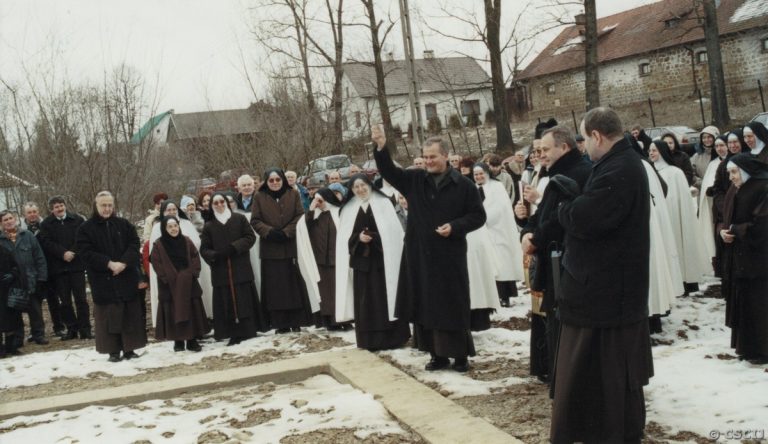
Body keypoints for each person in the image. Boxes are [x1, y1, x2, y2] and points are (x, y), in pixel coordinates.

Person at [551, 108, 653, 443]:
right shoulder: (615, 165)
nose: (583, 146)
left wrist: (565, 207)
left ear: (596, 136)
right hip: (606, 293)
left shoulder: (619, 169)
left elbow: (586, 219)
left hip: (608, 296)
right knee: (601, 378)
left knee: (611, 379)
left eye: (583, 138)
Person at [372, 127, 486, 373]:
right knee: (426, 305)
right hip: (420, 255)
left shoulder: (464, 185)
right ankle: (437, 355)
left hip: (450, 255)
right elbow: (390, 172)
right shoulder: (415, 179)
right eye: (425, 157)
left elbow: (478, 216)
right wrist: (382, 147)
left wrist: (455, 227)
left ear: (445, 155)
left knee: (452, 304)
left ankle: (460, 356)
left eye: (433, 156)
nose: (428, 161)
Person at [515, 125, 592, 384]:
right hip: (551, 260)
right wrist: (526, 231)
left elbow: (559, 219)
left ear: (565, 147)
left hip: (565, 264)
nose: (541, 155)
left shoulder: (578, 174)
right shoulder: (557, 174)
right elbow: (542, 215)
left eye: (546, 149)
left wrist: (535, 238)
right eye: (539, 150)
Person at [335, 175, 409, 349]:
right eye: (356, 187)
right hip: (362, 264)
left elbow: (393, 234)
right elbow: (345, 238)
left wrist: (374, 237)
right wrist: (358, 238)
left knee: (385, 298)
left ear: (369, 185)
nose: (360, 190)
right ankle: (370, 340)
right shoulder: (348, 209)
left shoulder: (383, 203)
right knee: (366, 302)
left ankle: (394, 338)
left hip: (383, 262)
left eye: (363, 185)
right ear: (352, 190)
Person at [76, 191, 147, 362]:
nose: (107, 208)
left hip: (125, 275)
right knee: (108, 316)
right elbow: (85, 252)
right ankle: (113, 350)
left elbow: (134, 244)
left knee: (129, 313)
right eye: (103, 205)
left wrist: (123, 263)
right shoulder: (86, 228)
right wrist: (108, 263)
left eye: (109, 205)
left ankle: (130, 348)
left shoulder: (123, 224)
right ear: (96, 206)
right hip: (103, 279)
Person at [718, 154, 768, 363]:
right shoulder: (734, 189)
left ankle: (763, 350)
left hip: (759, 259)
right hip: (739, 258)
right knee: (745, 303)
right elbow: (723, 218)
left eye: (734, 172)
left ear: (746, 172)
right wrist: (723, 231)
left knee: (759, 304)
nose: (731, 177)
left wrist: (736, 230)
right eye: (729, 173)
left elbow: (763, 224)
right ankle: (747, 348)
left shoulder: (763, 187)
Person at [251, 169, 313, 333]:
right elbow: (255, 220)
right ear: (266, 182)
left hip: (289, 245)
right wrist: (269, 232)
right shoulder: (259, 196)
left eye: (278, 179)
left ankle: (297, 320)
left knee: (293, 286)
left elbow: (300, 215)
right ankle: (280, 323)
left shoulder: (292, 194)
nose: (275, 183)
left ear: (283, 180)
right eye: (271, 180)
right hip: (270, 248)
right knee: (275, 288)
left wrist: (287, 232)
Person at [201, 192, 267, 345]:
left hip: (240, 267)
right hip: (221, 270)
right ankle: (232, 333)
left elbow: (250, 237)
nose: (219, 205)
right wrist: (216, 255)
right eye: (215, 203)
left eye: (222, 202)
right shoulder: (209, 226)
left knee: (244, 298)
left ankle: (249, 330)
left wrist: (234, 247)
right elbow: (204, 249)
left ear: (227, 203)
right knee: (226, 301)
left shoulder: (239, 219)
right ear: (211, 206)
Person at [649, 139, 710, 293]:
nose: (651, 153)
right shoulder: (650, 171)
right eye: (650, 150)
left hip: (675, 216)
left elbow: (681, 200)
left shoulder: (675, 172)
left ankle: (684, 280)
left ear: (662, 152)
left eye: (655, 150)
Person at [150, 216, 210, 352]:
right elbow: (156, 263)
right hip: (170, 285)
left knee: (191, 310)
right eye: (170, 227)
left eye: (175, 226)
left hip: (188, 284)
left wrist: (191, 274)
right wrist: (167, 277)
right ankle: (178, 341)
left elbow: (195, 257)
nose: (173, 229)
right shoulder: (158, 245)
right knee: (172, 311)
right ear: (164, 229)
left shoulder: (187, 241)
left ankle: (192, 340)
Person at [149, 200, 213, 328]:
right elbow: (155, 258)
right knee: (172, 306)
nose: (172, 212)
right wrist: (166, 276)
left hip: (188, 275)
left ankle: (194, 335)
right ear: (163, 212)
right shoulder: (157, 229)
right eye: (168, 210)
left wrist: (192, 272)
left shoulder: (187, 226)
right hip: (169, 278)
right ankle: (177, 338)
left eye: (174, 209)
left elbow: (195, 249)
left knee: (192, 303)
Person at [295, 187, 350, 330]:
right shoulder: (313, 216)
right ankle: (330, 322)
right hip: (320, 261)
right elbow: (303, 228)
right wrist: (312, 208)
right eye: (317, 200)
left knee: (341, 291)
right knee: (325, 294)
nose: (319, 203)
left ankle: (345, 320)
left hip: (338, 259)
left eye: (321, 200)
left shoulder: (339, 213)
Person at [39, 196, 91, 341]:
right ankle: (71, 329)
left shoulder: (77, 220)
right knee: (65, 301)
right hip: (59, 268)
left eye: (61, 205)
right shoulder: (46, 224)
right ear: (51, 209)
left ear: (65, 205)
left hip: (76, 266)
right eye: (56, 207)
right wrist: (62, 253)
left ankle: (85, 329)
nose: (60, 209)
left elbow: (82, 238)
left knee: (81, 299)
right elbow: (46, 242)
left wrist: (72, 252)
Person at [473, 163, 524, 308]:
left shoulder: (497, 187)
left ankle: (505, 296)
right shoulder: (475, 189)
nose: (478, 177)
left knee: (502, 265)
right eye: (476, 174)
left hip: (498, 230)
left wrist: (483, 218)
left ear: (487, 173)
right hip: (482, 232)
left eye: (481, 173)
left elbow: (500, 208)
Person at [0, 211, 48, 347]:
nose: (9, 221)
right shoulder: (1, 240)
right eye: (5, 220)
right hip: (11, 283)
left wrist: (42, 278)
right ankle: (17, 339)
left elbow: (39, 258)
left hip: (30, 279)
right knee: (14, 313)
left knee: (35, 310)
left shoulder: (27, 235)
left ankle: (39, 335)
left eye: (10, 218)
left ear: (15, 219)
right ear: (1, 223)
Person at [21, 201, 63, 343]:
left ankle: (58, 326)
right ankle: (36, 331)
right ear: (24, 214)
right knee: (34, 303)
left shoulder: (46, 225)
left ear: (38, 212)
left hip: (50, 268)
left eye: (34, 211)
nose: (32, 214)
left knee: (53, 299)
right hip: (31, 272)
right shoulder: (22, 230)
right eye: (29, 212)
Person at [0, 245, 24, 357]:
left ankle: (11, 347)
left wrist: (12, 274)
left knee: (11, 320)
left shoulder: (4, 249)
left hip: (7, 291)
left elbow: (16, 266)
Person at [691, 126, 720, 191]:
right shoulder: (696, 156)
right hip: (703, 190)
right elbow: (691, 173)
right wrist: (702, 183)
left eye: (709, 137)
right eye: (704, 137)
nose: (706, 140)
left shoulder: (721, 153)